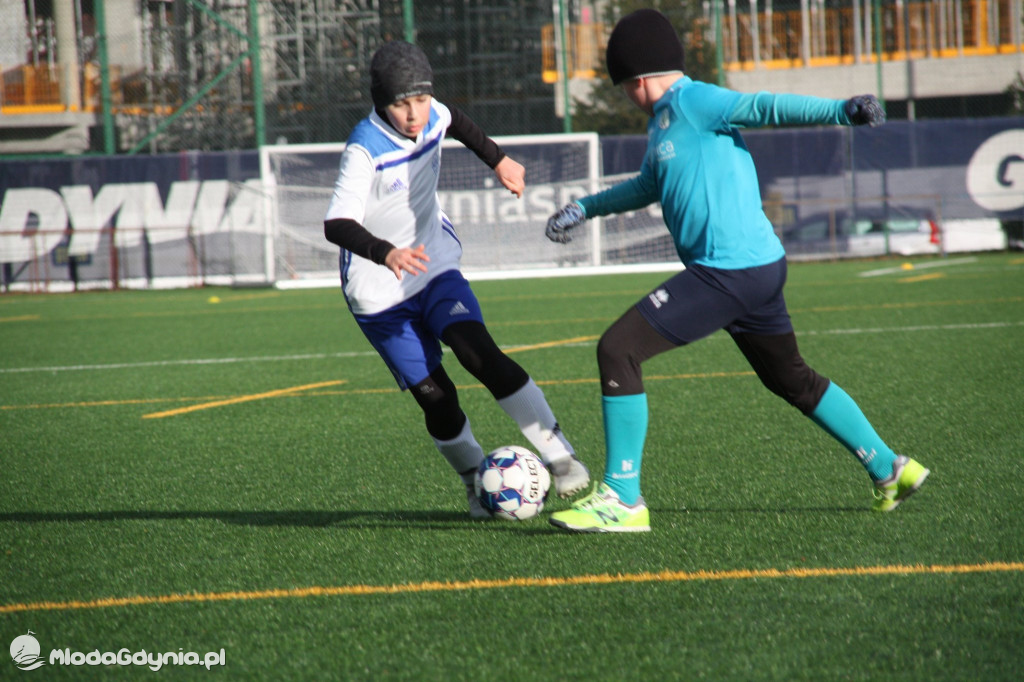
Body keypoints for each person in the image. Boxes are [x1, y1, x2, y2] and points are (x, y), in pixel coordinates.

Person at [544, 9, 929, 532]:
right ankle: (890, 469)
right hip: (756, 268)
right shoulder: (662, 124)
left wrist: (843, 110)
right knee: (791, 378)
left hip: (730, 272)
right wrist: (585, 208)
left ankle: (622, 498)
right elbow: (646, 186)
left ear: (637, 78)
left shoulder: (694, 100)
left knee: (619, 348)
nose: (625, 97)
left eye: (622, 88)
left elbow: (763, 106)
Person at [323, 40, 589, 518]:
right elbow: (335, 224)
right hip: (377, 291)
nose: (414, 113)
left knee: (478, 352)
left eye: (420, 100)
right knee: (437, 398)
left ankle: (563, 458)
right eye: (401, 103)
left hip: (433, 261)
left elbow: (457, 121)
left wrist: (499, 159)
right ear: (381, 102)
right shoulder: (364, 149)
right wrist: (386, 253)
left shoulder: (433, 113)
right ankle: (474, 480)